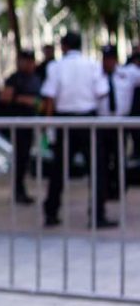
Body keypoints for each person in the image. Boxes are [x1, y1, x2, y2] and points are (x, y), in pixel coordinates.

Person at [40, 32, 110, 228]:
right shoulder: (92, 65)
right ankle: (97, 214)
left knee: (59, 169)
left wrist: (49, 123)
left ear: (63, 46)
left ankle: (51, 211)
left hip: (65, 122)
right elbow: (102, 92)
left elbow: (49, 97)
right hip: (88, 120)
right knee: (96, 169)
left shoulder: (56, 66)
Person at [0, 49, 42, 204]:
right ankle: (18, 190)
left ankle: (21, 190)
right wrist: (23, 100)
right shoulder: (14, 79)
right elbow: (5, 97)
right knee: (20, 158)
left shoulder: (35, 78)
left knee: (24, 159)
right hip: (17, 123)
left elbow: (40, 101)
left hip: (30, 122)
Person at [98, 46, 140, 203]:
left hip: (120, 122)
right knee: (102, 159)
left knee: (119, 156)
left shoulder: (128, 73)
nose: (107, 62)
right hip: (101, 123)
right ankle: (106, 188)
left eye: (110, 59)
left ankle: (119, 188)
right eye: (105, 59)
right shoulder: (96, 75)